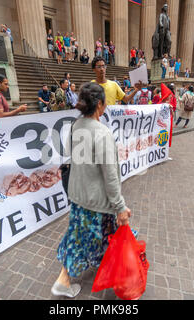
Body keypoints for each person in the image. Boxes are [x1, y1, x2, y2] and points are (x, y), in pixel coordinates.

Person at [51, 82, 132, 298]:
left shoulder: (76, 125)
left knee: (78, 237)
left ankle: (67, 279)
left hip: (78, 196)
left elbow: (76, 160)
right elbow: (110, 175)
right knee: (95, 240)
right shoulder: (101, 132)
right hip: (96, 203)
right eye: (105, 101)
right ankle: (117, 282)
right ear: (99, 104)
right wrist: (120, 207)